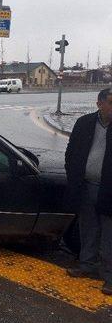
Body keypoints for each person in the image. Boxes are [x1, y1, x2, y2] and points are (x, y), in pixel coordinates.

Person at [65, 88, 112, 295]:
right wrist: (73, 176)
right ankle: (87, 265)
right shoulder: (84, 123)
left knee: (109, 235)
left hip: (109, 190)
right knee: (88, 229)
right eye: (111, 102)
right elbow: (71, 152)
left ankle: (109, 276)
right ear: (99, 103)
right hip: (86, 186)